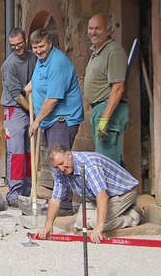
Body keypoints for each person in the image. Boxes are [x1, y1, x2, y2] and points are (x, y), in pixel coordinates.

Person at [26, 28, 84, 215]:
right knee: (55, 162)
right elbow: (41, 79)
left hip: (62, 119)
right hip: (51, 120)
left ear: (50, 43)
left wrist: (36, 121)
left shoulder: (58, 62)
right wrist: (31, 85)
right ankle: (59, 201)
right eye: (35, 47)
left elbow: (52, 99)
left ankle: (65, 205)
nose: (38, 50)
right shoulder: (42, 61)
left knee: (61, 162)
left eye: (41, 46)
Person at [38, 144, 142, 244]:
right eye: (56, 167)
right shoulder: (60, 171)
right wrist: (48, 225)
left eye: (61, 163)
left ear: (69, 154)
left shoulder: (89, 165)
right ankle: (111, 215)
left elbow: (102, 196)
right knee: (80, 224)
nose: (61, 169)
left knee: (95, 223)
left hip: (122, 192)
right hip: (92, 196)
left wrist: (99, 227)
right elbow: (55, 199)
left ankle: (132, 217)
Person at [85, 14, 129, 166]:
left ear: (109, 31)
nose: (93, 32)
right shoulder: (97, 51)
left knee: (106, 162)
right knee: (109, 158)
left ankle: (112, 190)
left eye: (98, 28)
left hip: (108, 110)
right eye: (91, 28)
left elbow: (118, 88)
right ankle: (125, 189)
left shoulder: (113, 52)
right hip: (99, 109)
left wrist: (105, 119)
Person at [0, 28, 37, 207]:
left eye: (19, 43)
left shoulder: (33, 57)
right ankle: (14, 193)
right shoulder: (9, 65)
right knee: (17, 152)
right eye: (13, 45)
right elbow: (17, 94)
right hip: (14, 109)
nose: (17, 48)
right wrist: (33, 112)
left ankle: (28, 191)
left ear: (26, 40)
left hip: (31, 107)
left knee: (30, 152)